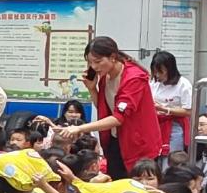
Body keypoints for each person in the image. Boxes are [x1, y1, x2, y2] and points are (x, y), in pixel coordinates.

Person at [58, 37, 162, 179]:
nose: (94, 67)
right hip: (114, 140)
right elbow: (103, 109)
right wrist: (92, 89)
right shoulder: (104, 76)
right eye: (90, 62)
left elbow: (119, 118)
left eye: (98, 61)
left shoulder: (134, 78)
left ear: (113, 57)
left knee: (135, 186)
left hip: (137, 143)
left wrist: (80, 128)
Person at [146, 50, 193, 157]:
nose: (157, 75)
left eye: (161, 72)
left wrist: (164, 108)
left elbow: (188, 111)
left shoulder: (183, 84)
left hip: (174, 124)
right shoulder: (154, 83)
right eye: (155, 72)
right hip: (155, 124)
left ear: (170, 70)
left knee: (171, 159)